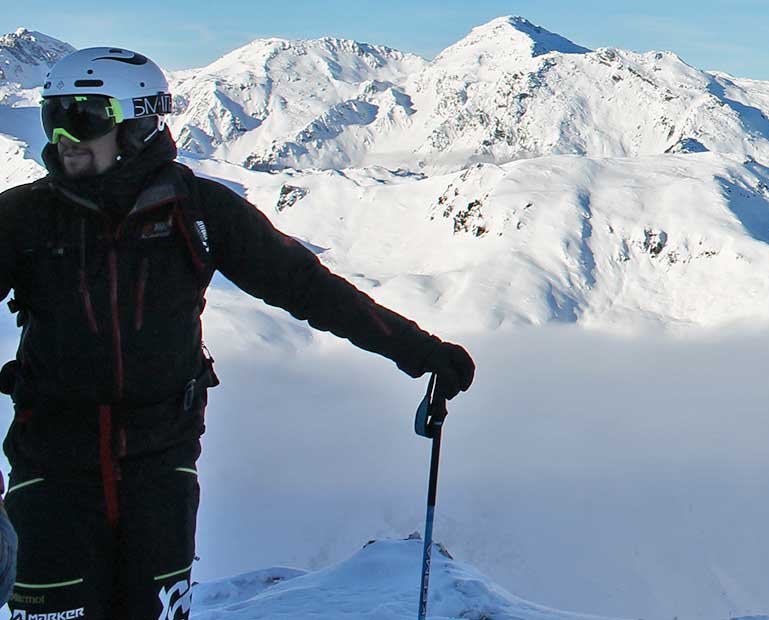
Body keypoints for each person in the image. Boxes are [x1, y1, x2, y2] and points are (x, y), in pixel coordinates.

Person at [0, 47, 475, 620]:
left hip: (161, 462)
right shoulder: (22, 217)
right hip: (51, 462)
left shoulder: (197, 212)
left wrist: (418, 350)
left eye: (86, 114)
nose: (63, 134)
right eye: (54, 113)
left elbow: (305, 288)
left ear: (139, 122)